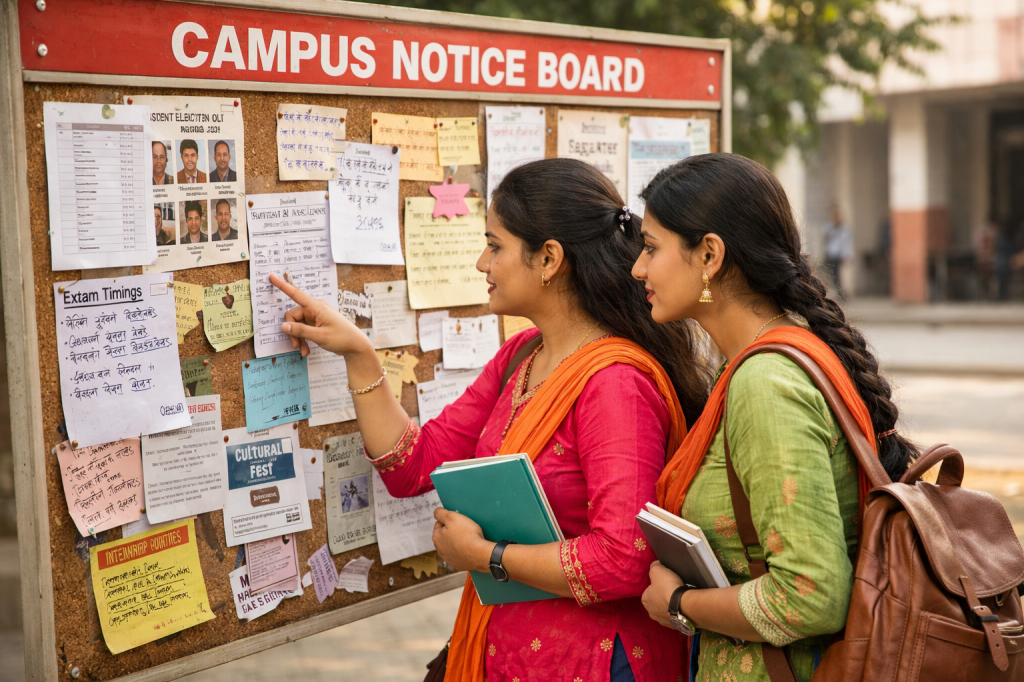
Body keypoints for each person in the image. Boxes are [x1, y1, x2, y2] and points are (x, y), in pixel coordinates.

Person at [270, 158, 713, 682]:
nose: (483, 262)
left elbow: (621, 559)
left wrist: (488, 556)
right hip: (510, 649)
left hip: (592, 660)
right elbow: (414, 465)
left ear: (548, 258)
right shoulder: (524, 355)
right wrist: (360, 355)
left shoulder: (613, 384)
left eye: (495, 245)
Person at [632, 154, 916, 682]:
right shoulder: (759, 359)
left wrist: (681, 602)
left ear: (709, 254)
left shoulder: (766, 384)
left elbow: (809, 597)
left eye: (651, 248)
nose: (638, 268)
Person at [821, 207, 853, 298]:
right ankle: (831, 291)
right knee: (829, 273)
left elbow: (847, 243)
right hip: (830, 253)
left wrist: (847, 255)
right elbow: (825, 238)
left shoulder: (844, 228)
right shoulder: (828, 226)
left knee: (836, 274)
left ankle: (839, 292)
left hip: (838, 255)